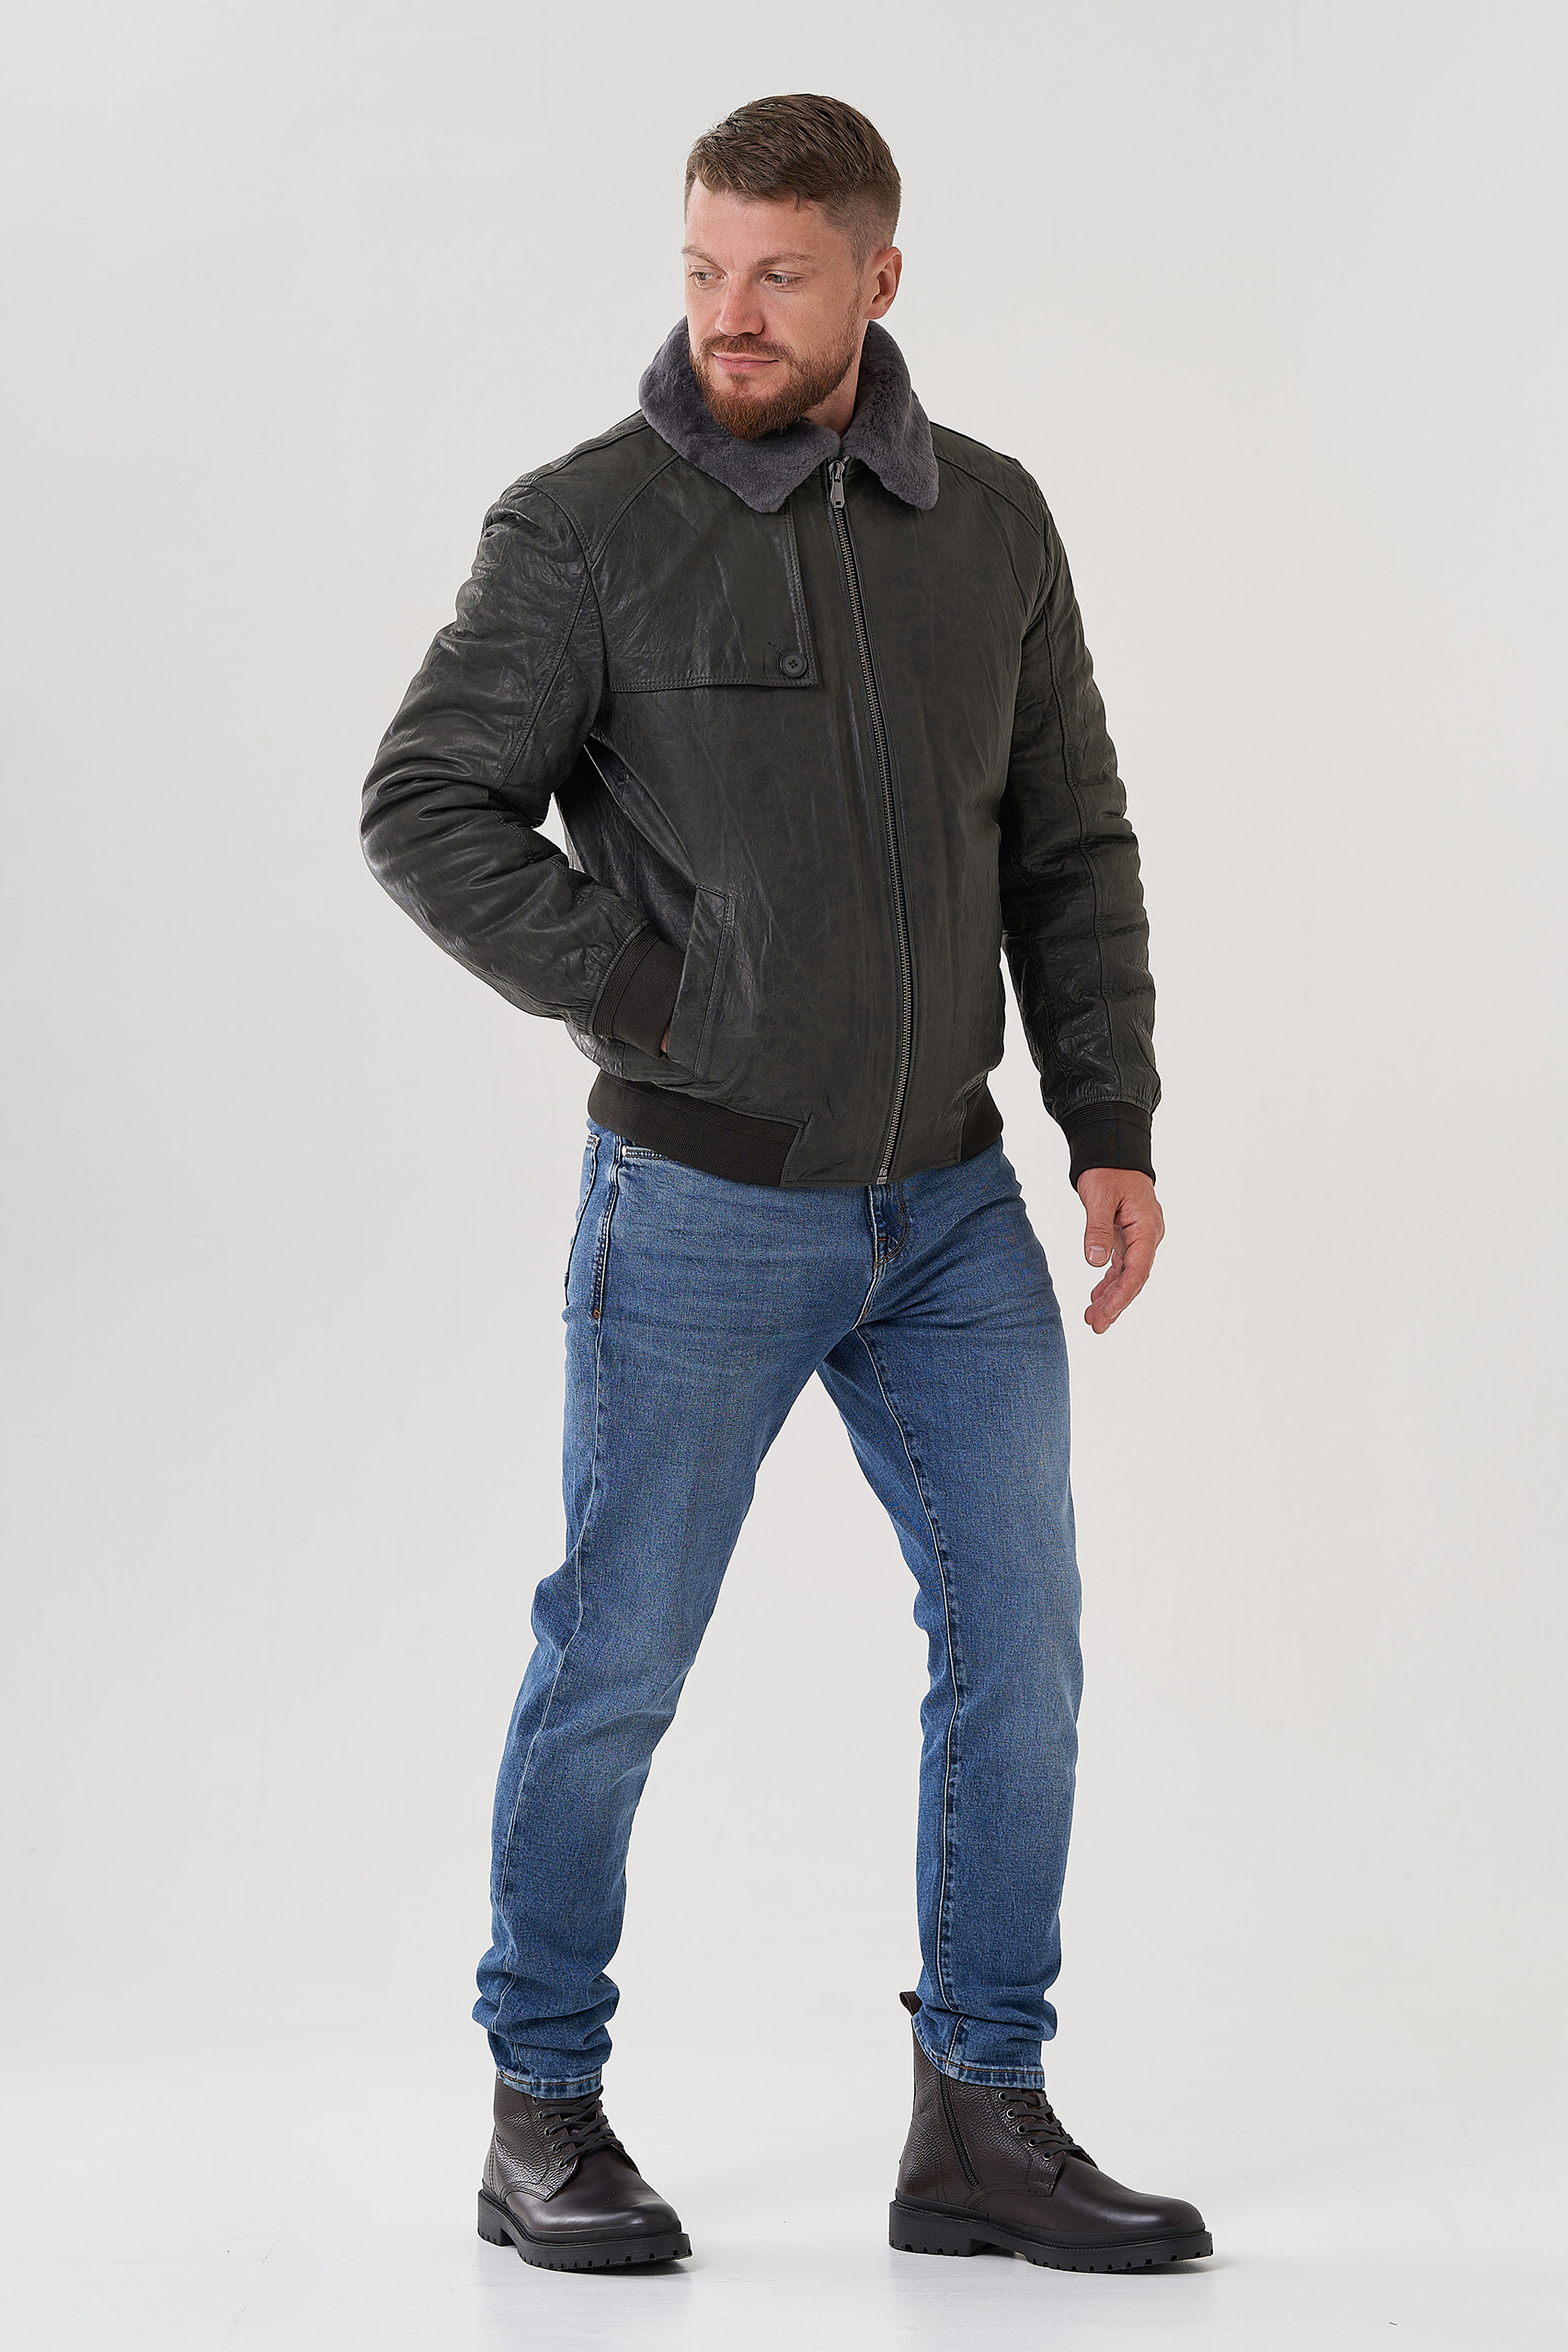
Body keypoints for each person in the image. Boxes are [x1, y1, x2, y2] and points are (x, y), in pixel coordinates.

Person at [361, 91, 1210, 2278]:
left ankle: (980, 2119)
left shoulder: (988, 520)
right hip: (701, 1207)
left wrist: (1107, 1118)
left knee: (1020, 1646)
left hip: (950, 1210)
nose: (728, 315)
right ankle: (539, 2107)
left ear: (878, 280)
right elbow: (429, 802)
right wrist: (658, 994)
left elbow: (1068, 839)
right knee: (616, 1655)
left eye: (779, 276)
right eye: (703, 269)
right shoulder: (586, 527)